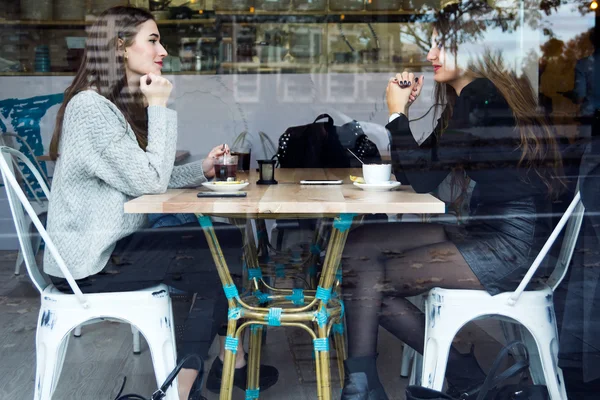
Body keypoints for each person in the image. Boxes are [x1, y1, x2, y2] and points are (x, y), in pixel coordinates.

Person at [43, 6, 277, 399]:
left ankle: (225, 366)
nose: (162, 49)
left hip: (110, 247)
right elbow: (149, 184)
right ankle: (182, 388)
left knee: (228, 247)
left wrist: (202, 168)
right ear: (119, 48)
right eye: (152, 40)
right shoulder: (90, 109)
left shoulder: (106, 105)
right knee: (219, 257)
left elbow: (145, 177)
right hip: (89, 261)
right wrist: (158, 106)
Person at [340, 2, 565, 399]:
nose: (430, 56)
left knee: (366, 284)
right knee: (360, 245)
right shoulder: (472, 99)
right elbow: (418, 173)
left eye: (441, 45)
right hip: (487, 230)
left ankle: (372, 386)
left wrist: (396, 117)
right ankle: (383, 382)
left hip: (511, 244)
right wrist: (403, 113)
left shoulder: (481, 95)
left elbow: (424, 177)